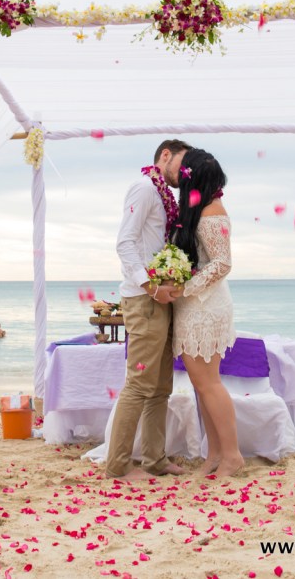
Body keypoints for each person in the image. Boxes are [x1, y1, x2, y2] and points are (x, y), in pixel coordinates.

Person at [106, 139, 193, 480]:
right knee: (139, 384)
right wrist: (150, 287)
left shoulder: (163, 195)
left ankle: (154, 460)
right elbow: (124, 241)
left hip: (161, 299)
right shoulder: (143, 188)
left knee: (160, 387)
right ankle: (117, 466)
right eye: (181, 164)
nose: (183, 172)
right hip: (144, 299)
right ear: (165, 155)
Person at [170, 148, 244, 478]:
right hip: (194, 305)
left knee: (209, 383)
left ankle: (232, 455)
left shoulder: (213, 210)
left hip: (205, 306)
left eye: (183, 171)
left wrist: (185, 287)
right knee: (201, 386)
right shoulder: (198, 209)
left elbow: (222, 263)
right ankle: (214, 454)